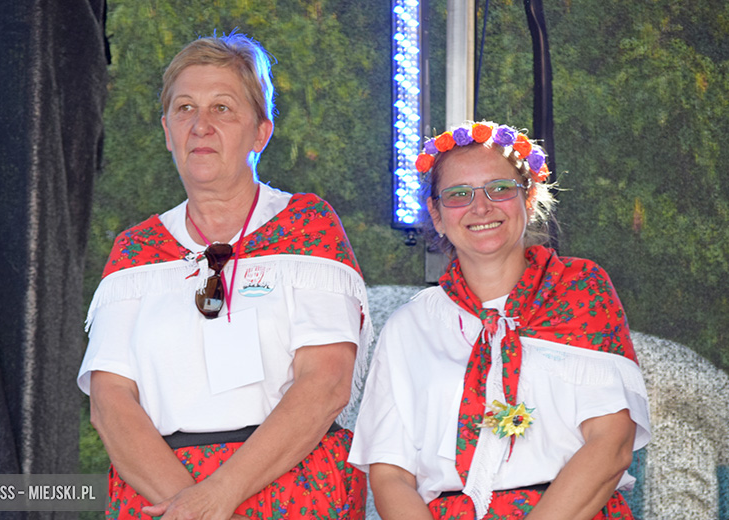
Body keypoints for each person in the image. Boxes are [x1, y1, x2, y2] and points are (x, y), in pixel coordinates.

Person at [77, 31, 371, 520]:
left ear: (260, 132)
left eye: (223, 108)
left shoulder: (306, 225)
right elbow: (110, 403)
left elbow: (325, 384)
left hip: (291, 491)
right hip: (160, 498)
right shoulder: (135, 249)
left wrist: (219, 496)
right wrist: (188, 506)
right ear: (168, 131)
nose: (200, 126)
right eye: (185, 108)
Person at [349, 120, 651, 519]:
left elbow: (611, 444)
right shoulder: (410, 326)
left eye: (500, 188)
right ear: (437, 216)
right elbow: (390, 476)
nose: (481, 207)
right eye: (458, 194)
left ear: (529, 200)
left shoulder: (581, 291)